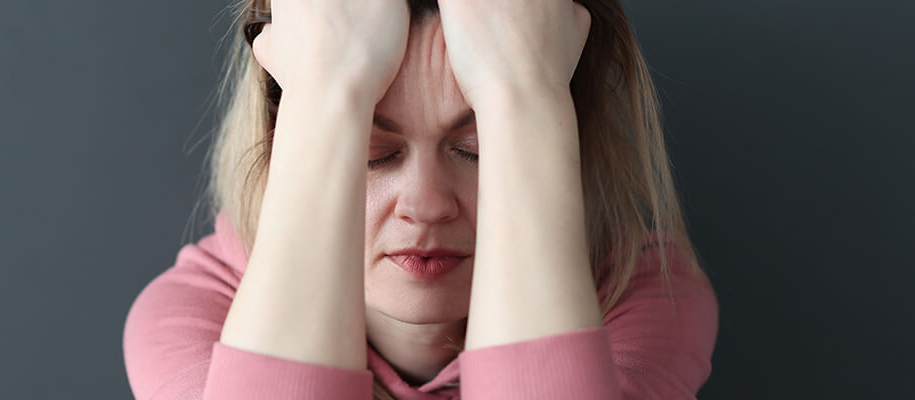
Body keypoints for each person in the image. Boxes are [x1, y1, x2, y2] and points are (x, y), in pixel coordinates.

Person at [122, 0, 720, 399]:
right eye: (372, 153)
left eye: (479, 149)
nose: (426, 205)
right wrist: (328, 91)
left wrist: (522, 90)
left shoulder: (649, 293)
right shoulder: (193, 317)